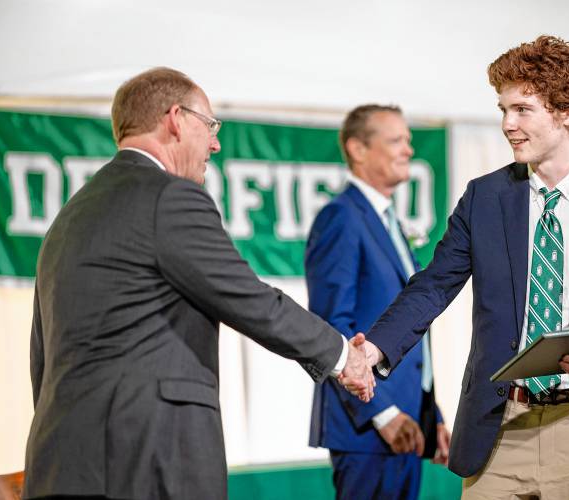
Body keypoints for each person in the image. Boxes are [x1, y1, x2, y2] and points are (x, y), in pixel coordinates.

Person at [363, 36, 569, 499]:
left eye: (522, 109)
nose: (507, 124)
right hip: (500, 431)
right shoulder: (484, 198)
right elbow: (432, 287)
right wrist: (374, 349)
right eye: (503, 109)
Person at [24, 67, 373, 500]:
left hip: (60, 464)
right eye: (209, 125)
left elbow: (43, 358)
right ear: (175, 118)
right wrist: (342, 356)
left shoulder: (67, 218)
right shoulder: (168, 196)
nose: (215, 142)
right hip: (147, 462)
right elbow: (247, 297)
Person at [306, 104, 451, 500]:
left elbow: (407, 329)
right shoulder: (341, 217)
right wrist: (381, 414)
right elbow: (330, 326)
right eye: (395, 141)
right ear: (358, 148)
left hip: (409, 424)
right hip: (369, 428)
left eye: (408, 140)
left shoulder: (388, 221)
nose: (408, 149)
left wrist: (429, 412)